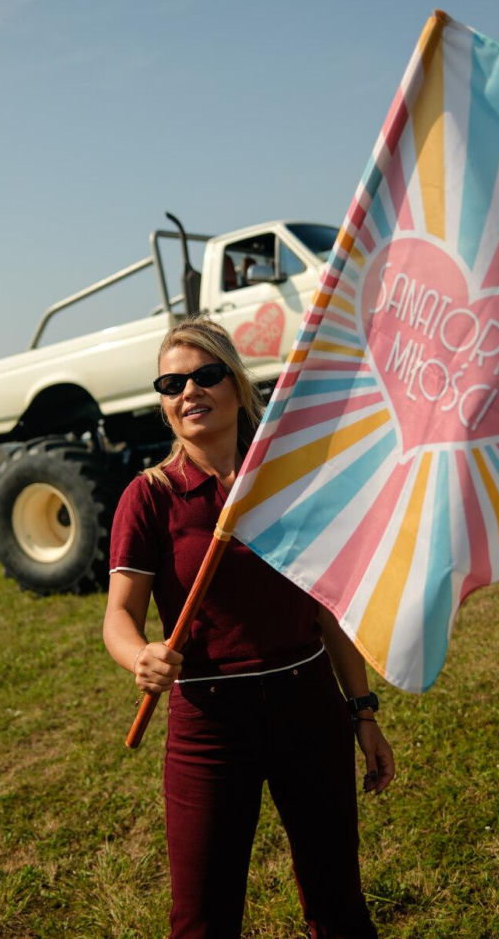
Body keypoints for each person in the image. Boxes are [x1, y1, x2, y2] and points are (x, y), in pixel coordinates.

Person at [103, 317, 395, 939]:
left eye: (206, 375)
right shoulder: (149, 497)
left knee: (337, 903)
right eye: (172, 382)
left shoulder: (288, 479)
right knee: (202, 921)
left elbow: (328, 609)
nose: (190, 392)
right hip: (209, 723)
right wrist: (139, 657)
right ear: (162, 401)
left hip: (308, 706)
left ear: (236, 385)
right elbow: (119, 618)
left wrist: (362, 711)